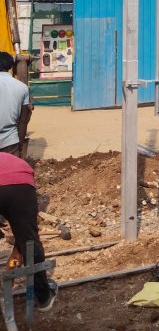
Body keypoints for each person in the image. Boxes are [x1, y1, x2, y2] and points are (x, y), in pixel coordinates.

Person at [0, 152, 58, 311]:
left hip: (17, 178)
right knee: (29, 241)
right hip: (20, 183)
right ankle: (44, 298)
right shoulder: (16, 164)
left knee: (25, 241)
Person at [0, 50, 31, 156]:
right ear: (11, 66)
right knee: (10, 167)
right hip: (11, 143)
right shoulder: (22, 88)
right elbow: (23, 120)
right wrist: (20, 145)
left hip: (11, 141)